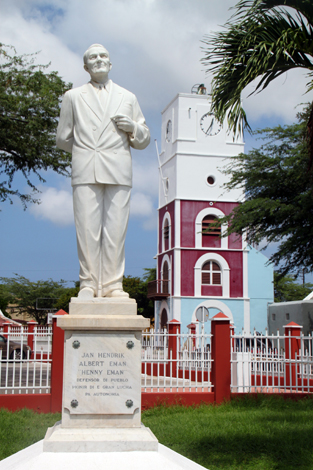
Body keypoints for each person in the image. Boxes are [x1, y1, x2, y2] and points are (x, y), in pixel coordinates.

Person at [56, 44, 150, 300]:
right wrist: (85, 150)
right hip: (86, 168)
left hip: (119, 169)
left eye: (103, 56)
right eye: (92, 58)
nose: (98, 60)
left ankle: (112, 286)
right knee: (87, 230)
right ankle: (88, 283)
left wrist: (132, 127)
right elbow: (63, 139)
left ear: (110, 63)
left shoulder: (128, 97)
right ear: (86, 67)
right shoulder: (73, 96)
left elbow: (143, 140)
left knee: (116, 231)